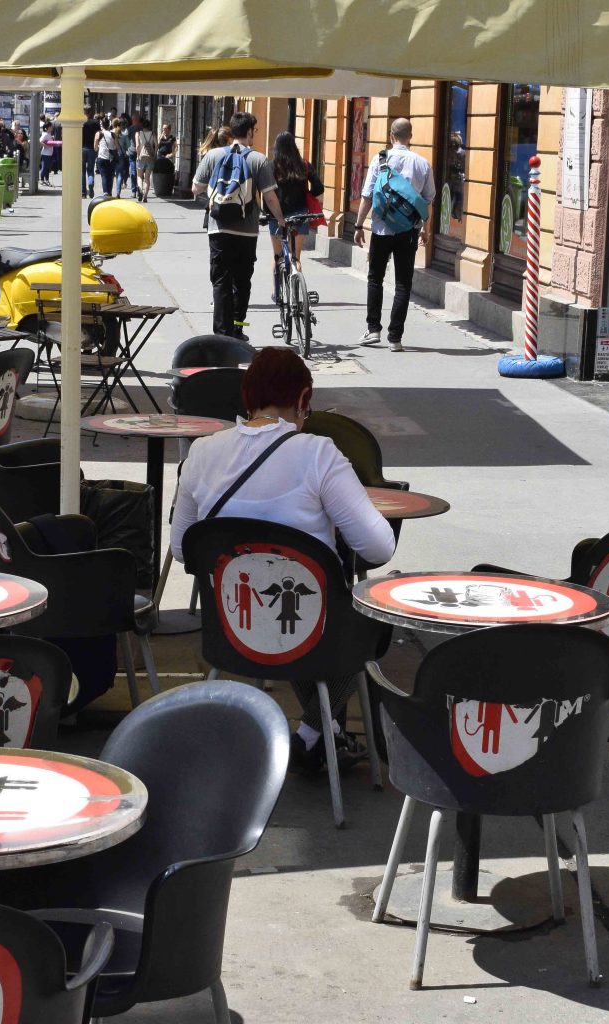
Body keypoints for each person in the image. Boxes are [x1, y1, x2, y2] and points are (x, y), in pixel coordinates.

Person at [171, 347, 396, 772]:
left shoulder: (201, 452)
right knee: (368, 620)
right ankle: (313, 732)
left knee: (292, 616)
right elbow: (378, 549)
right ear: (303, 398)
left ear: (247, 396)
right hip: (311, 632)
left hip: (233, 629)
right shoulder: (319, 454)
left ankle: (319, 734)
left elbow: (183, 548)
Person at [191, 111, 286, 340]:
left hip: (218, 228)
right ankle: (237, 329)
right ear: (250, 131)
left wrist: (215, 197)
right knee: (242, 282)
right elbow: (270, 197)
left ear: (232, 130)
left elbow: (196, 188)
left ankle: (221, 335)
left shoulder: (213, 155)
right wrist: (281, 220)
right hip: (246, 231)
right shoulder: (258, 159)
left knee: (220, 281)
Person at [353, 117, 435, 353]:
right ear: (411, 137)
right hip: (408, 231)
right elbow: (427, 201)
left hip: (381, 229)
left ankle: (373, 329)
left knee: (375, 278)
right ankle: (395, 338)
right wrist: (426, 229)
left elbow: (367, 195)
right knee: (403, 284)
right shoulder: (422, 164)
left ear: (391, 136)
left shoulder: (380, 159)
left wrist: (358, 225)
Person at [267, 131, 324, 304]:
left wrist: (266, 212)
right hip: (300, 214)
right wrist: (307, 194)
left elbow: (265, 193)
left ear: (277, 148)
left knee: (277, 255)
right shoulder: (304, 165)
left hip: (277, 216)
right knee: (296, 257)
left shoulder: (271, 166)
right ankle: (297, 293)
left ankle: (277, 293)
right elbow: (319, 188)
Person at [132, 115, 157, 202]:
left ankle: (140, 190)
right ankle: (145, 196)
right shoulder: (153, 134)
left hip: (141, 157)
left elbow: (137, 146)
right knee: (147, 178)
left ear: (142, 126)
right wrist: (154, 154)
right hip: (150, 157)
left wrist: (138, 155)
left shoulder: (138, 134)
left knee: (139, 176)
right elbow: (156, 145)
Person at [95, 115, 118, 198]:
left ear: (102, 124)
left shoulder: (99, 133)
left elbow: (95, 147)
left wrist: (99, 147)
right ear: (109, 124)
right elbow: (117, 147)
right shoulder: (113, 134)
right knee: (111, 176)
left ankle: (105, 192)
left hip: (101, 157)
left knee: (104, 175)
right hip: (111, 158)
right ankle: (110, 192)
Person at [80, 107, 100, 198]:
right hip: (92, 149)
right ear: (91, 112)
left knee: (82, 171)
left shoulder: (81, 122)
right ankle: (91, 183)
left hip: (82, 149)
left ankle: (83, 193)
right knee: (91, 170)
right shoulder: (96, 123)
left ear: (84, 112)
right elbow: (99, 135)